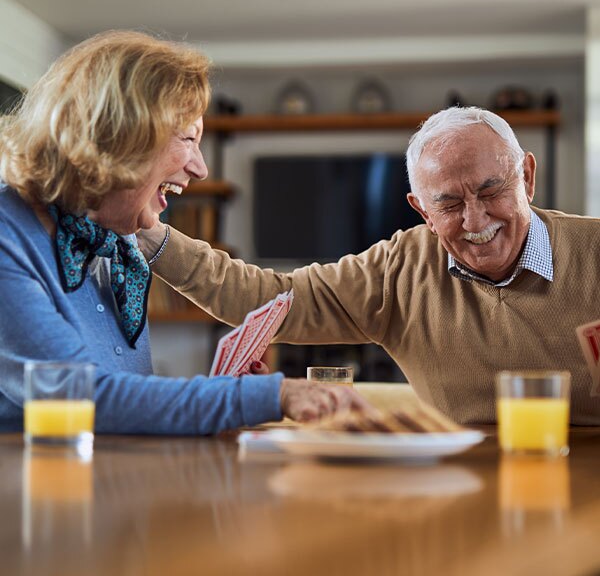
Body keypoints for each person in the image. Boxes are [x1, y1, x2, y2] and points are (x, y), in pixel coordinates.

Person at [0, 30, 370, 434]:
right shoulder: (7, 233)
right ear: (121, 137)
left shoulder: (117, 240)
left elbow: (127, 406)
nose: (200, 168)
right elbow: (83, 399)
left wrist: (220, 395)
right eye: (188, 139)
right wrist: (269, 396)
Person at [139, 106, 600, 425]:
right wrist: (148, 233)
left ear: (527, 177)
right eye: (450, 204)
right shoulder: (400, 269)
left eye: (491, 191)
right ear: (422, 211)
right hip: (461, 487)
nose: (475, 220)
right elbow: (268, 300)